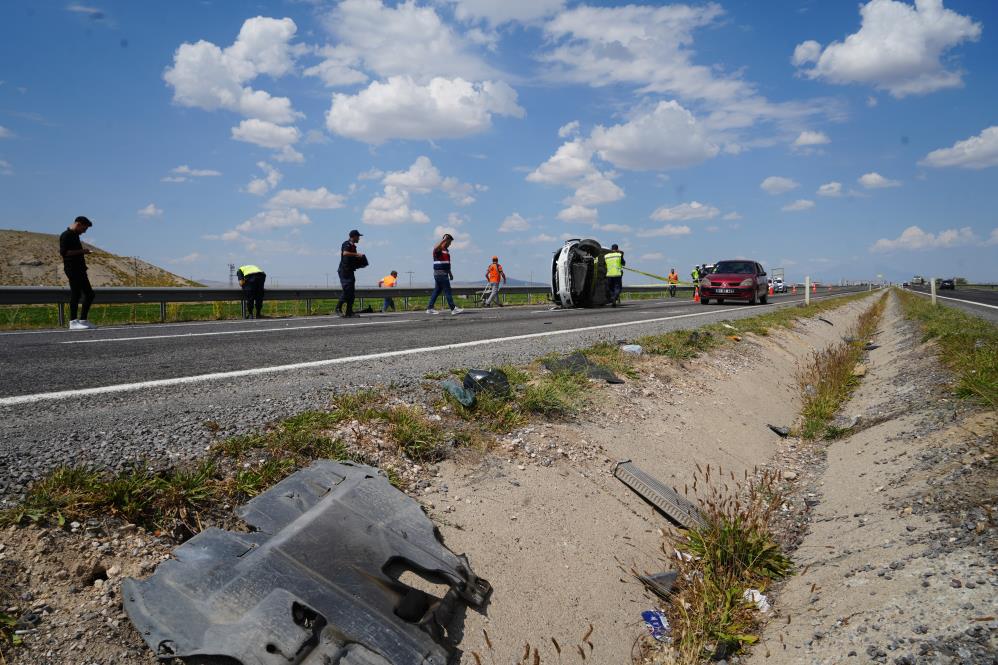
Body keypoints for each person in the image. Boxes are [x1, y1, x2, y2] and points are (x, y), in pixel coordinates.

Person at [59, 216, 96, 330]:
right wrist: (83, 251)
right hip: (72, 269)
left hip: (80, 269)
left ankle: (83, 320)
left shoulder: (75, 236)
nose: (84, 232)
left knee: (89, 294)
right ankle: (73, 321)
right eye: (84, 229)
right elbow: (64, 253)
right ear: (79, 224)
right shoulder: (66, 235)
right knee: (76, 294)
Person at [426, 234, 463, 315]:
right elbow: (435, 248)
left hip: (443, 273)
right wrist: (444, 240)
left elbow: (447, 263)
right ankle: (453, 309)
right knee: (448, 290)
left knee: (437, 290)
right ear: (446, 241)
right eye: (449, 242)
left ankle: (430, 308)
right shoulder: (439, 249)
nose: (450, 244)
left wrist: (450, 273)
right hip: (440, 273)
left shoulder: (446, 251)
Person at [336, 229, 365, 317]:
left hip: (350, 271)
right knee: (347, 291)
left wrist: (360, 263)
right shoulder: (346, 244)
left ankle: (349, 312)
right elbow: (345, 253)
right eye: (358, 236)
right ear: (354, 236)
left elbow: (352, 259)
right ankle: (338, 308)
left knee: (351, 293)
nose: (359, 238)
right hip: (344, 271)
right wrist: (356, 255)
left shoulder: (354, 247)